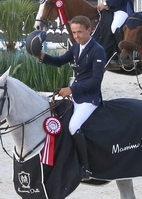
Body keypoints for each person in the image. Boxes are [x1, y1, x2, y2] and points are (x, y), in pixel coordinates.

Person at [34, 15, 106, 181]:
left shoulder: (98, 50)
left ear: (89, 30)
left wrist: (72, 89)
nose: (76, 36)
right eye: (74, 33)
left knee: (73, 126)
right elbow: (60, 61)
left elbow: (96, 81)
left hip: (89, 98)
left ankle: (85, 168)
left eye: (80, 32)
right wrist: (42, 56)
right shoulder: (75, 47)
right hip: (77, 94)